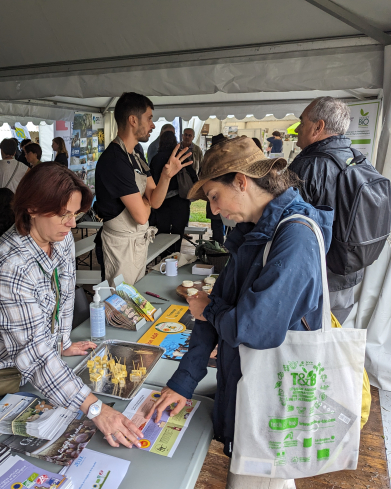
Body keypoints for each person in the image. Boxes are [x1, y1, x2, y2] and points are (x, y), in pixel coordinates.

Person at [149, 136, 333, 489]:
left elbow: (252, 327)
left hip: (272, 402)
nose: (214, 211)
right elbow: (213, 310)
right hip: (249, 388)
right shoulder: (253, 233)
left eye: (214, 197)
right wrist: (183, 383)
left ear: (242, 181)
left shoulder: (294, 238)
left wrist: (210, 310)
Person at [0, 163, 145, 449]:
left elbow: (64, 294)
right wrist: (96, 409)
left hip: (14, 372)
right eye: (63, 214)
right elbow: (34, 356)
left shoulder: (61, 238)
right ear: (32, 208)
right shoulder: (9, 264)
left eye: (75, 214)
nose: (72, 223)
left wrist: (61, 342)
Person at [94, 92, 192, 286]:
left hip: (137, 243)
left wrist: (166, 176)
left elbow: (155, 202)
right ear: (132, 120)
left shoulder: (136, 154)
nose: (153, 125)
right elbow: (141, 216)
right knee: (121, 308)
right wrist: (145, 203)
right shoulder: (115, 160)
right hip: (120, 247)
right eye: (149, 119)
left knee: (134, 301)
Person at [289, 96, 365, 323]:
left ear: (318, 127)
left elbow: (285, 222)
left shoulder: (307, 165)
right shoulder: (358, 159)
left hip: (315, 276)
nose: (297, 130)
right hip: (349, 270)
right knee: (333, 333)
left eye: (302, 123)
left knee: (305, 340)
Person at [150, 130, 198, 254]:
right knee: (178, 232)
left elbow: (151, 181)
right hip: (180, 200)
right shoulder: (179, 157)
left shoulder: (156, 159)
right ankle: (176, 256)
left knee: (162, 232)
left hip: (161, 201)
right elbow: (193, 175)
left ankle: (163, 258)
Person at [207, 134, 227, 245]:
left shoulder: (208, 158)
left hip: (214, 196)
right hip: (221, 197)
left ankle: (218, 252)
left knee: (217, 228)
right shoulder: (227, 157)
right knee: (225, 227)